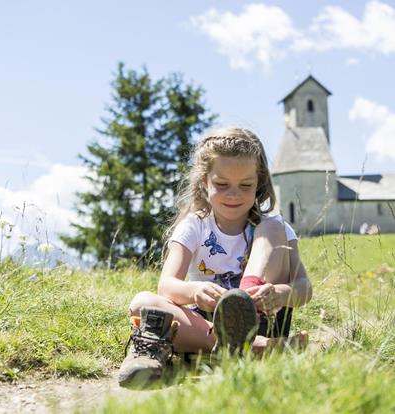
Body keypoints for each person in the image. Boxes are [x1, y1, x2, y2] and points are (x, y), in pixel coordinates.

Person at [118, 127, 312, 388]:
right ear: (204, 182)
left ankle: (246, 322)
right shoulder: (194, 225)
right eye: (222, 185)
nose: (234, 194)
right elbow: (166, 286)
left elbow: (304, 288)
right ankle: (256, 349)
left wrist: (278, 293)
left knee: (273, 225)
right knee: (142, 302)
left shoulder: (276, 229)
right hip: (205, 325)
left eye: (246, 185)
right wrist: (195, 290)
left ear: (259, 184)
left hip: (263, 320)